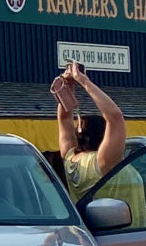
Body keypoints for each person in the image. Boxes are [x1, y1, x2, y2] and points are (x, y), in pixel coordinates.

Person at [53, 62, 128, 191]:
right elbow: (115, 117)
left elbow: (64, 118)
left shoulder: (69, 159)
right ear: (104, 136)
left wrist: (67, 87)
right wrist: (84, 81)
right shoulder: (103, 162)